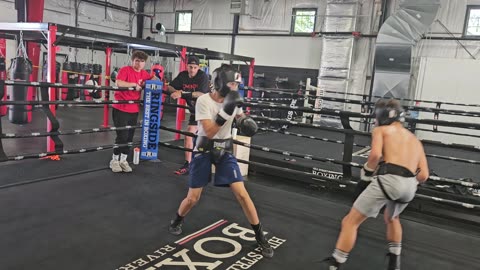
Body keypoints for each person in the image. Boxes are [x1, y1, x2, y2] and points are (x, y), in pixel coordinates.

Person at [168, 64, 274, 258]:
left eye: (236, 84)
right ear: (221, 82)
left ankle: (260, 236)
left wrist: (244, 121)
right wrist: (226, 111)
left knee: (242, 194)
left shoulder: (233, 99)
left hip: (225, 148)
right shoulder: (203, 101)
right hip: (204, 147)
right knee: (193, 198)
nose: (235, 87)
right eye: (232, 83)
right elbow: (209, 131)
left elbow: (240, 115)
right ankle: (177, 219)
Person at [321, 99, 429, 270]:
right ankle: (394, 263)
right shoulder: (416, 140)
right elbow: (424, 175)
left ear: (382, 116)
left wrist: (366, 175)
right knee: (392, 218)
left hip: (389, 179)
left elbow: (375, 156)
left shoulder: (381, 130)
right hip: (410, 186)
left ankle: (335, 264)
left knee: (350, 222)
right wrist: (405, 183)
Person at [109, 50, 152, 173]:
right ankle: (114, 160)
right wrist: (133, 84)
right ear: (132, 60)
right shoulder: (125, 70)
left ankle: (123, 160)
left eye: (142, 61)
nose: (139, 63)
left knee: (129, 137)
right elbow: (119, 82)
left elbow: (153, 79)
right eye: (137, 60)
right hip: (121, 108)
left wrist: (156, 78)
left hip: (134, 110)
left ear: (145, 63)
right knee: (121, 135)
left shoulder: (144, 74)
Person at [168, 55, 210, 175]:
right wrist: (175, 92)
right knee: (188, 134)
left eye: (195, 67)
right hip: (195, 111)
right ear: (187, 66)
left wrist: (182, 93)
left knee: (207, 138)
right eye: (190, 67)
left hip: (207, 111)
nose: (192, 70)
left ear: (198, 67)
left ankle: (208, 162)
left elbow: (200, 93)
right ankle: (188, 164)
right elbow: (170, 86)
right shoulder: (183, 76)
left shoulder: (202, 76)